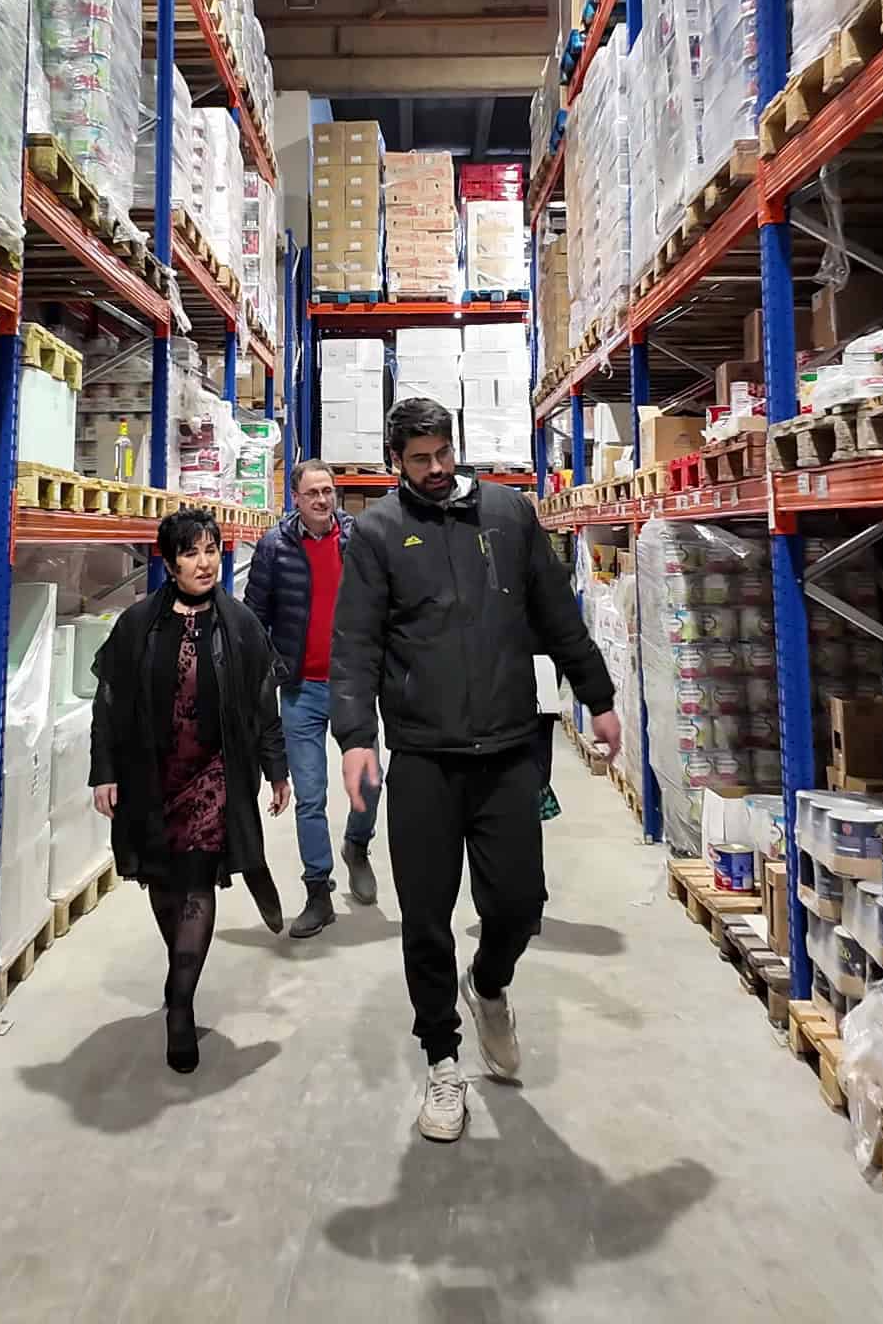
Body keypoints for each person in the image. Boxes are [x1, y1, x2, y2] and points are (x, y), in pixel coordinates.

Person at [330, 397, 619, 1143]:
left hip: (509, 749)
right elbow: (355, 642)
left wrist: (598, 696)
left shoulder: (509, 514)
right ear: (395, 462)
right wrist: (356, 737)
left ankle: (488, 983)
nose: (435, 469)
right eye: (419, 459)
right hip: (424, 758)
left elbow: (556, 614)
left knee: (519, 905)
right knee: (426, 921)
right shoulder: (378, 533)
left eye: (443, 453)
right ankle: (441, 1058)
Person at [90, 506, 291, 1074]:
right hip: (153, 777)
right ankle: (180, 971)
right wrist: (104, 771)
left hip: (214, 776)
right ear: (170, 562)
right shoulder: (138, 625)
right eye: (191, 553)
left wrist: (277, 770)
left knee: (199, 880)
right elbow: (109, 704)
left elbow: (263, 704)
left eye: (211, 551)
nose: (205, 563)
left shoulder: (239, 624)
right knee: (163, 881)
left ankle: (180, 1005)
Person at [244, 459, 383, 937]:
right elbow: (254, 616)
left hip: (352, 687)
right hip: (300, 688)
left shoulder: (358, 538)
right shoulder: (274, 547)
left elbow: (381, 602)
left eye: (328, 491)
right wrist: (268, 672)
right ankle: (318, 891)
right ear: (296, 498)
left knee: (368, 783)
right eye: (312, 493)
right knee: (310, 796)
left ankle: (357, 847)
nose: (322, 500)